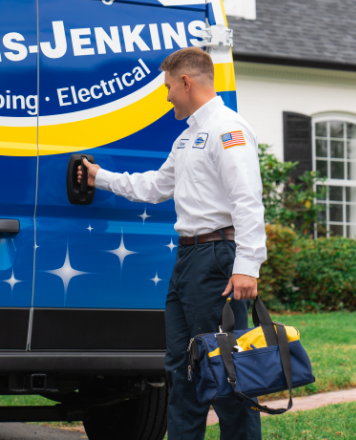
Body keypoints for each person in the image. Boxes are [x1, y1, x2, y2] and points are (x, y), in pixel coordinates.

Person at [78, 47, 266, 440]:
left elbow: (247, 200)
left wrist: (248, 265)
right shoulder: (186, 138)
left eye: (168, 87)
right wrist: (101, 177)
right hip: (187, 259)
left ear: (186, 82)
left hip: (216, 259)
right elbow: (155, 186)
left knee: (224, 368)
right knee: (181, 370)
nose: (166, 97)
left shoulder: (227, 130)